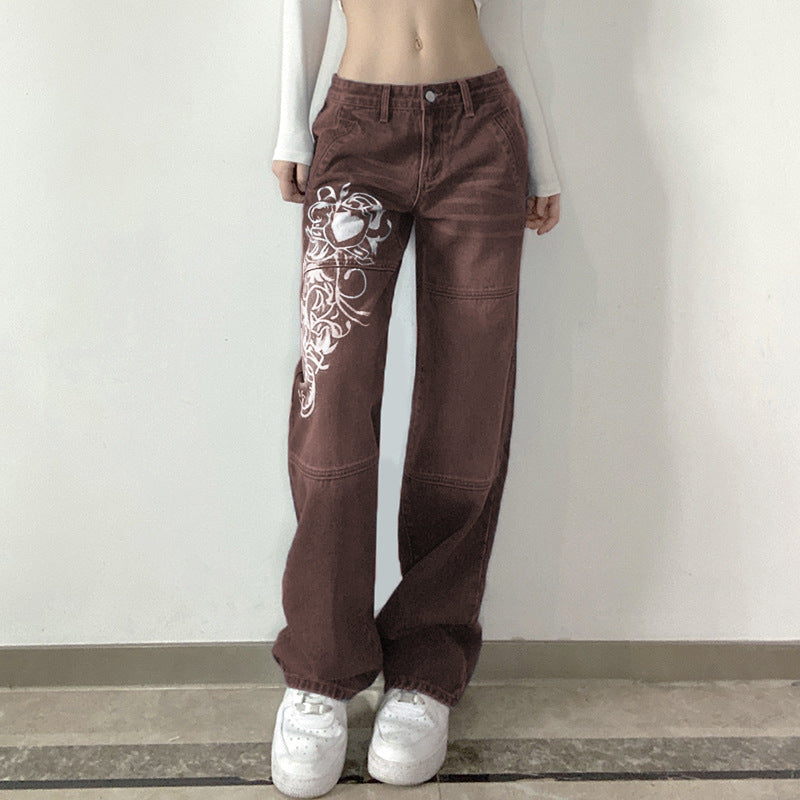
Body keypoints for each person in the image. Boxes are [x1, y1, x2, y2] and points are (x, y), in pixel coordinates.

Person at [269, 0, 561, 796]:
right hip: (359, 131)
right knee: (332, 400)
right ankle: (322, 671)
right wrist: (292, 128)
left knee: (469, 403)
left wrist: (543, 156)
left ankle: (425, 670)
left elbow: (509, 20)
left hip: (482, 132)